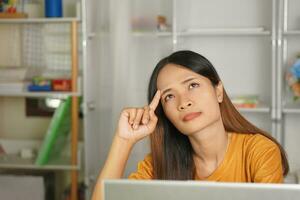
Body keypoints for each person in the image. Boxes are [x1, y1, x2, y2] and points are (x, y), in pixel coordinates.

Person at [92, 50, 289, 200]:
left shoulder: (259, 151)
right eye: (169, 96)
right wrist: (123, 140)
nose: (183, 102)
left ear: (218, 91)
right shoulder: (159, 163)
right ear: (164, 113)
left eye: (192, 85)